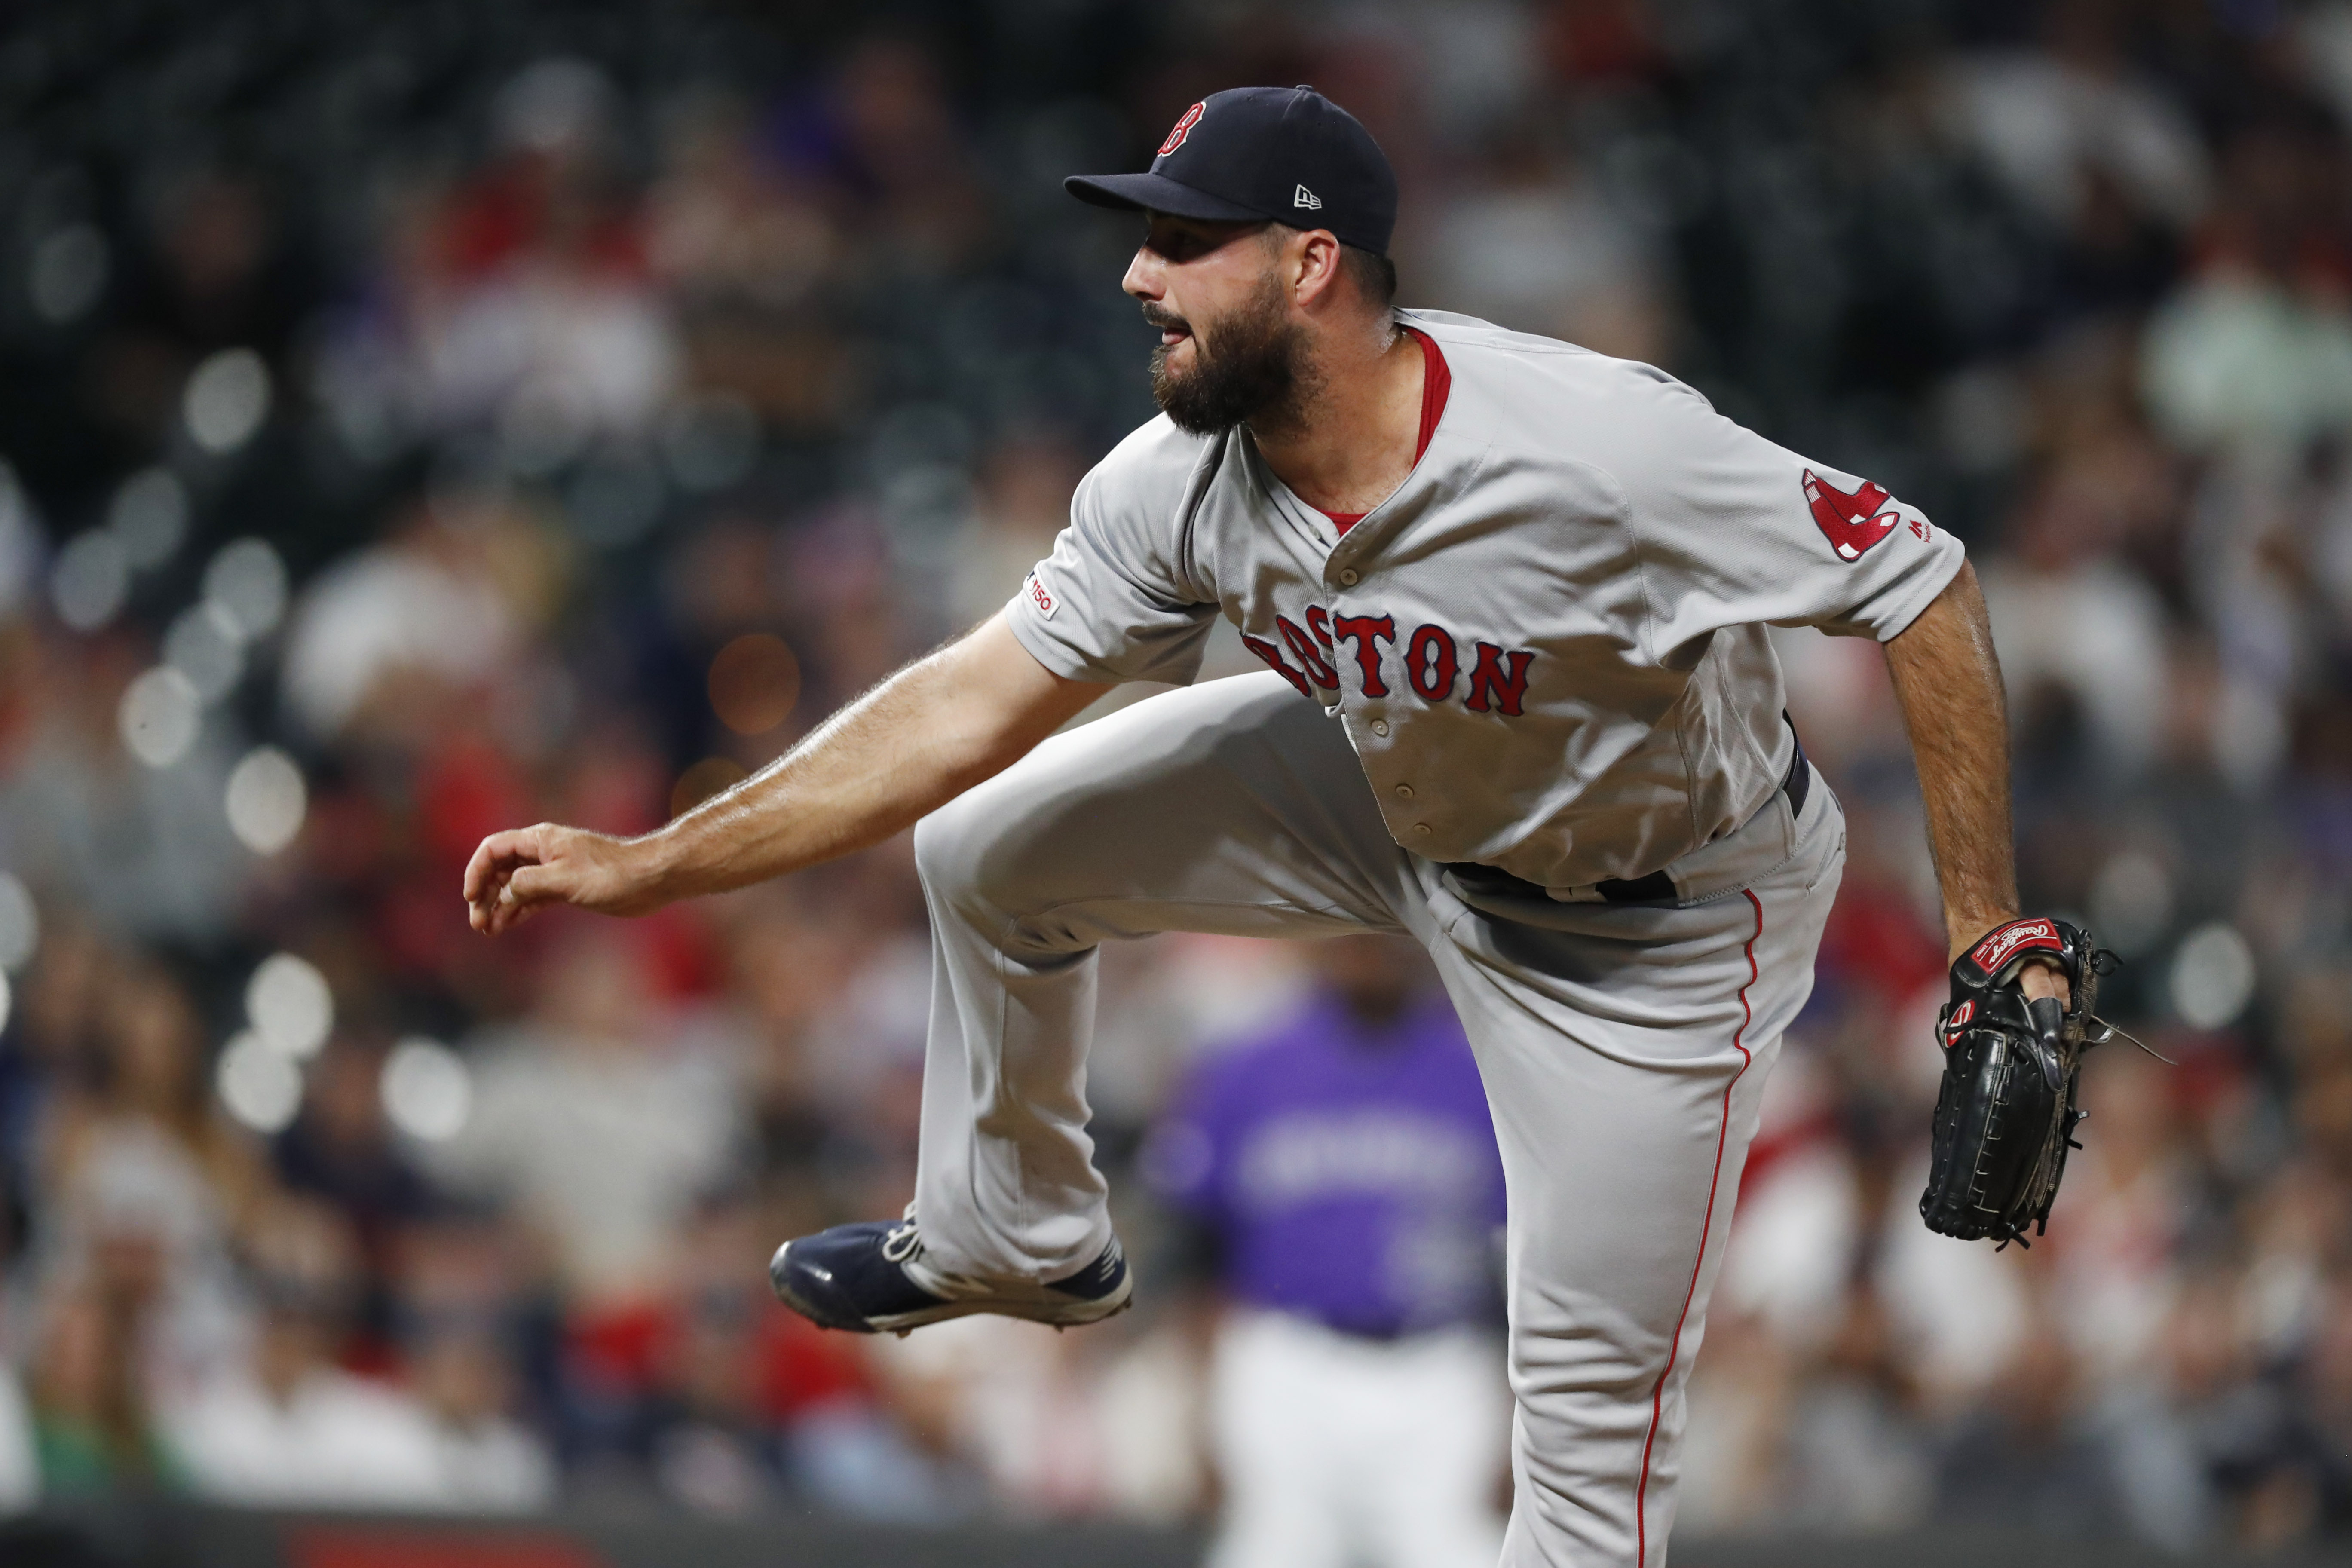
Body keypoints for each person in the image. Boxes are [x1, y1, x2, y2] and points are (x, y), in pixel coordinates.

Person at [464, 85, 2066, 1567]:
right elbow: (961, 709)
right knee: (988, 846)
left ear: (1311, 264)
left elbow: (1918, 575)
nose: (1135, 278)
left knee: (1585, 1498)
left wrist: (1984, 932)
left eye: (1179, 241)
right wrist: (660, 861)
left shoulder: (1598, 447)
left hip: (1650, 928)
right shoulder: (1179, 481)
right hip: (1393, 795)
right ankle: (1018, 1229)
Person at [1149, 933, 1507, 1568]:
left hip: (1442, 1368)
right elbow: (1194, 1252)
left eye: (1381, 929)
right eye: (1347, 928)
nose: (1364, 948)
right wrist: (1194, 1404)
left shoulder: (1482, 1067)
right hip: (1288, 1363)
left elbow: (1526, 1265)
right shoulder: (1247, 1065)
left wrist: (1519, 1420)